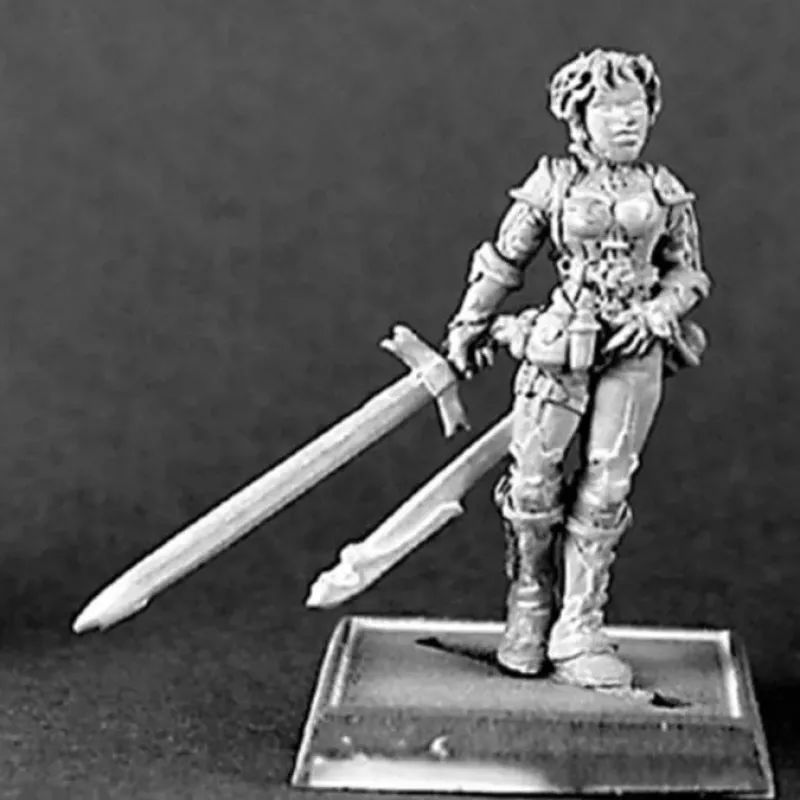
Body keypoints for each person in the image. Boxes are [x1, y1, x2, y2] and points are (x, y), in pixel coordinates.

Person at [445, 49, 711, 689]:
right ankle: (529, 605)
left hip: (634, 348)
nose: (627, 121)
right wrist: (469, 322)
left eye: (636, 107)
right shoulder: (554, 183)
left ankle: (580, 623)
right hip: (560, 342)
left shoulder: (663, 189)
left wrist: (658, 311)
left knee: (607, 482)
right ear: (579, 117)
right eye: (611, 109)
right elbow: (504, 258)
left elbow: (687, 272)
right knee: (533, 482)